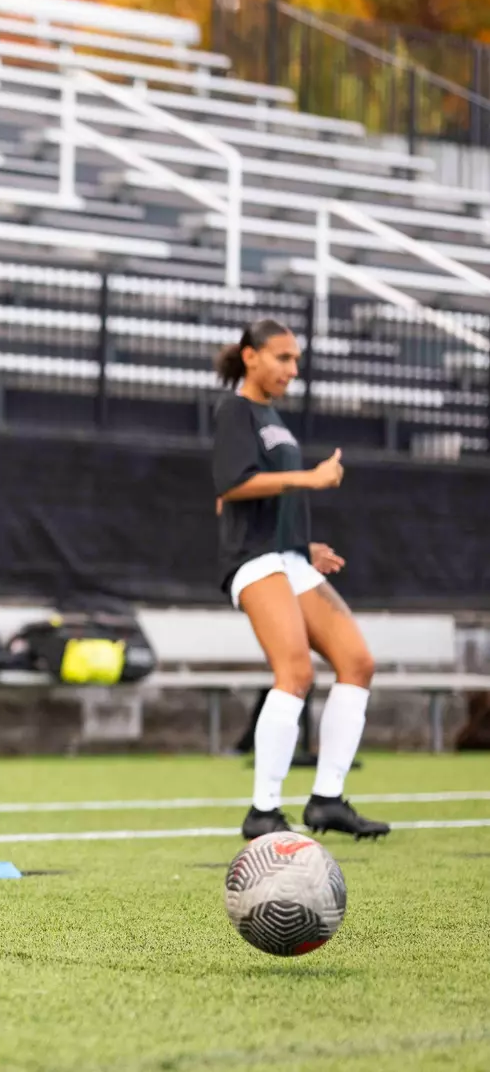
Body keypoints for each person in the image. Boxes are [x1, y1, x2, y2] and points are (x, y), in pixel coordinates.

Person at [212, 319, 388, 841]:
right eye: (282, 358)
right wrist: (309, 477)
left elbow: (265, 495)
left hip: (288, 556)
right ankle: (262, 809)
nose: (293, 369)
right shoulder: (234, 411)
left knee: (357, 662)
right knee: (295, 673)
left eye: (295, 360)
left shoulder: (271, 416)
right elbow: (232, 486)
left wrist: (301, 544)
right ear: (251, 357)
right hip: (254, 559)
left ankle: (327, 799)